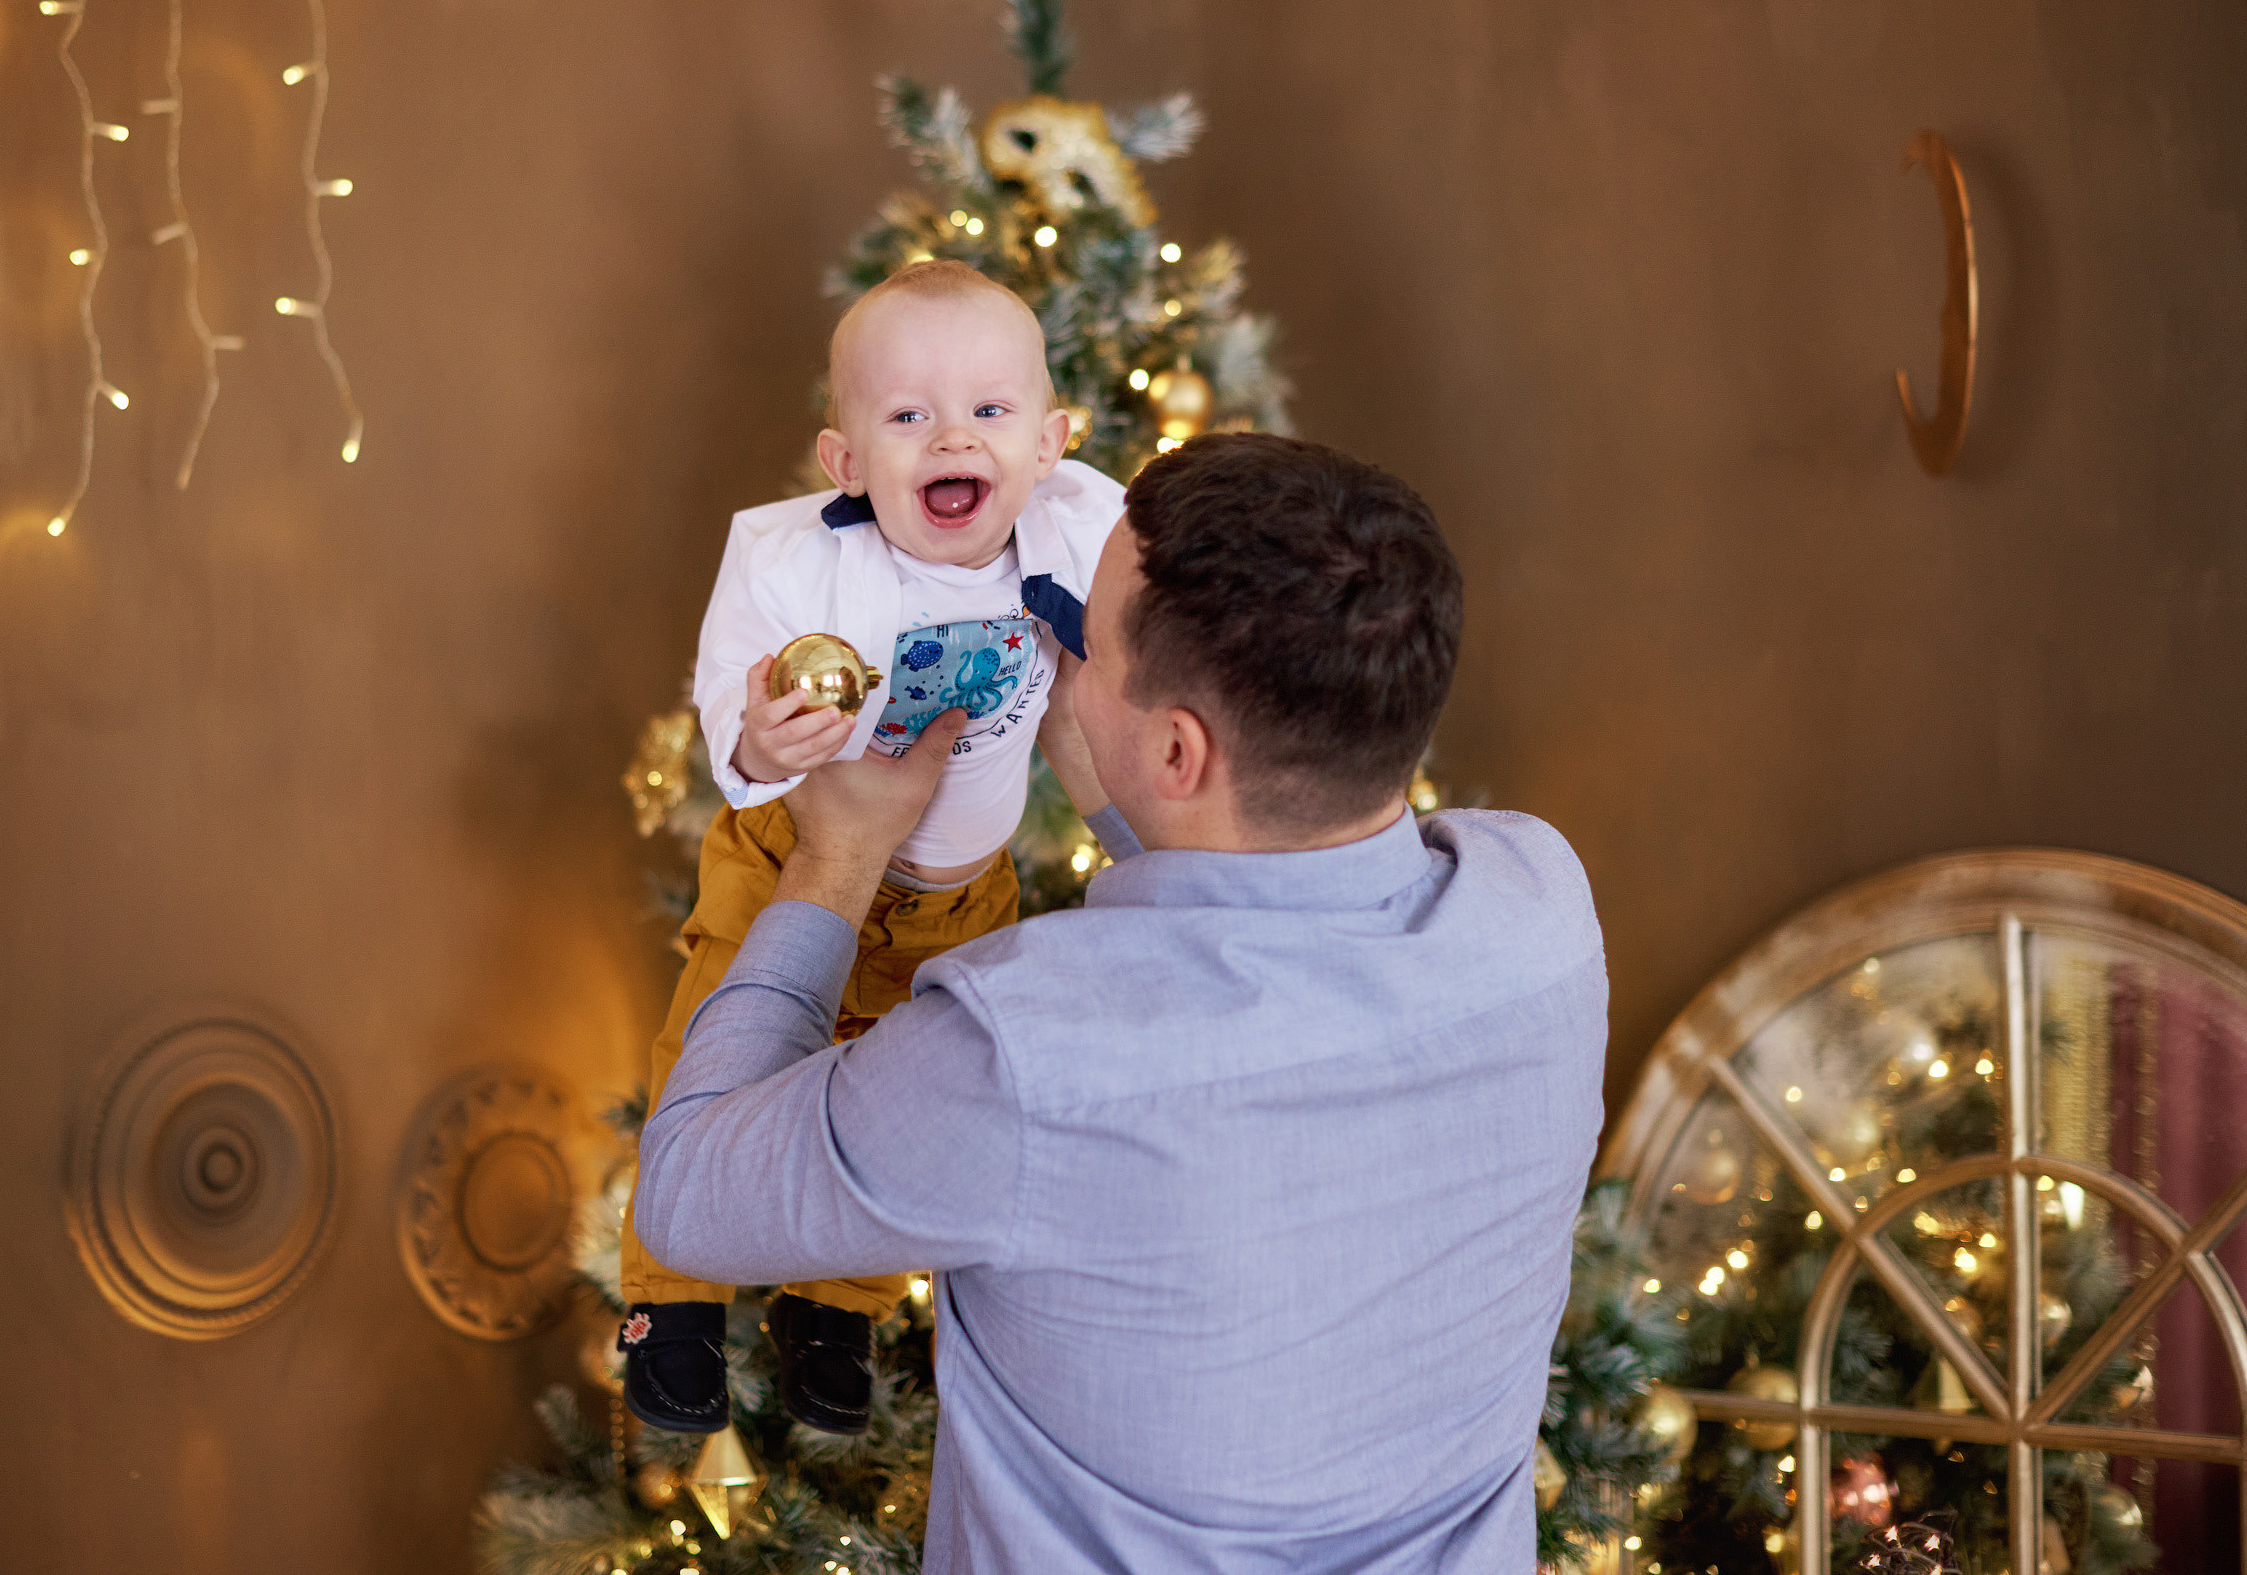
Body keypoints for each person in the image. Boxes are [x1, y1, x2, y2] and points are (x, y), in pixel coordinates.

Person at [634, 434, 1608, 1572]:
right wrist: (1113, 789)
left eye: (1079, 636)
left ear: (1180, 750)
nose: (1059, 655)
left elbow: (691, 1189)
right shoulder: (1539, 912)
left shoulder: (1025, 1052)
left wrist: (835, 857)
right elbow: (1270, 907)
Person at [615, 260, 1133, 1437]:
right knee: (712, 1033)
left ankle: (833, 1306)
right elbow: (725, 726)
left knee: (907, 1090)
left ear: (1050, 441)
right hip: (790, 848)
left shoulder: (1078, 528)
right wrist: (759, 730)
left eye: (992, 412)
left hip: (962, 891)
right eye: (907, 417)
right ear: (845, 462)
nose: (954, 435)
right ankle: (670, 1302)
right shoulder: (794, 560)